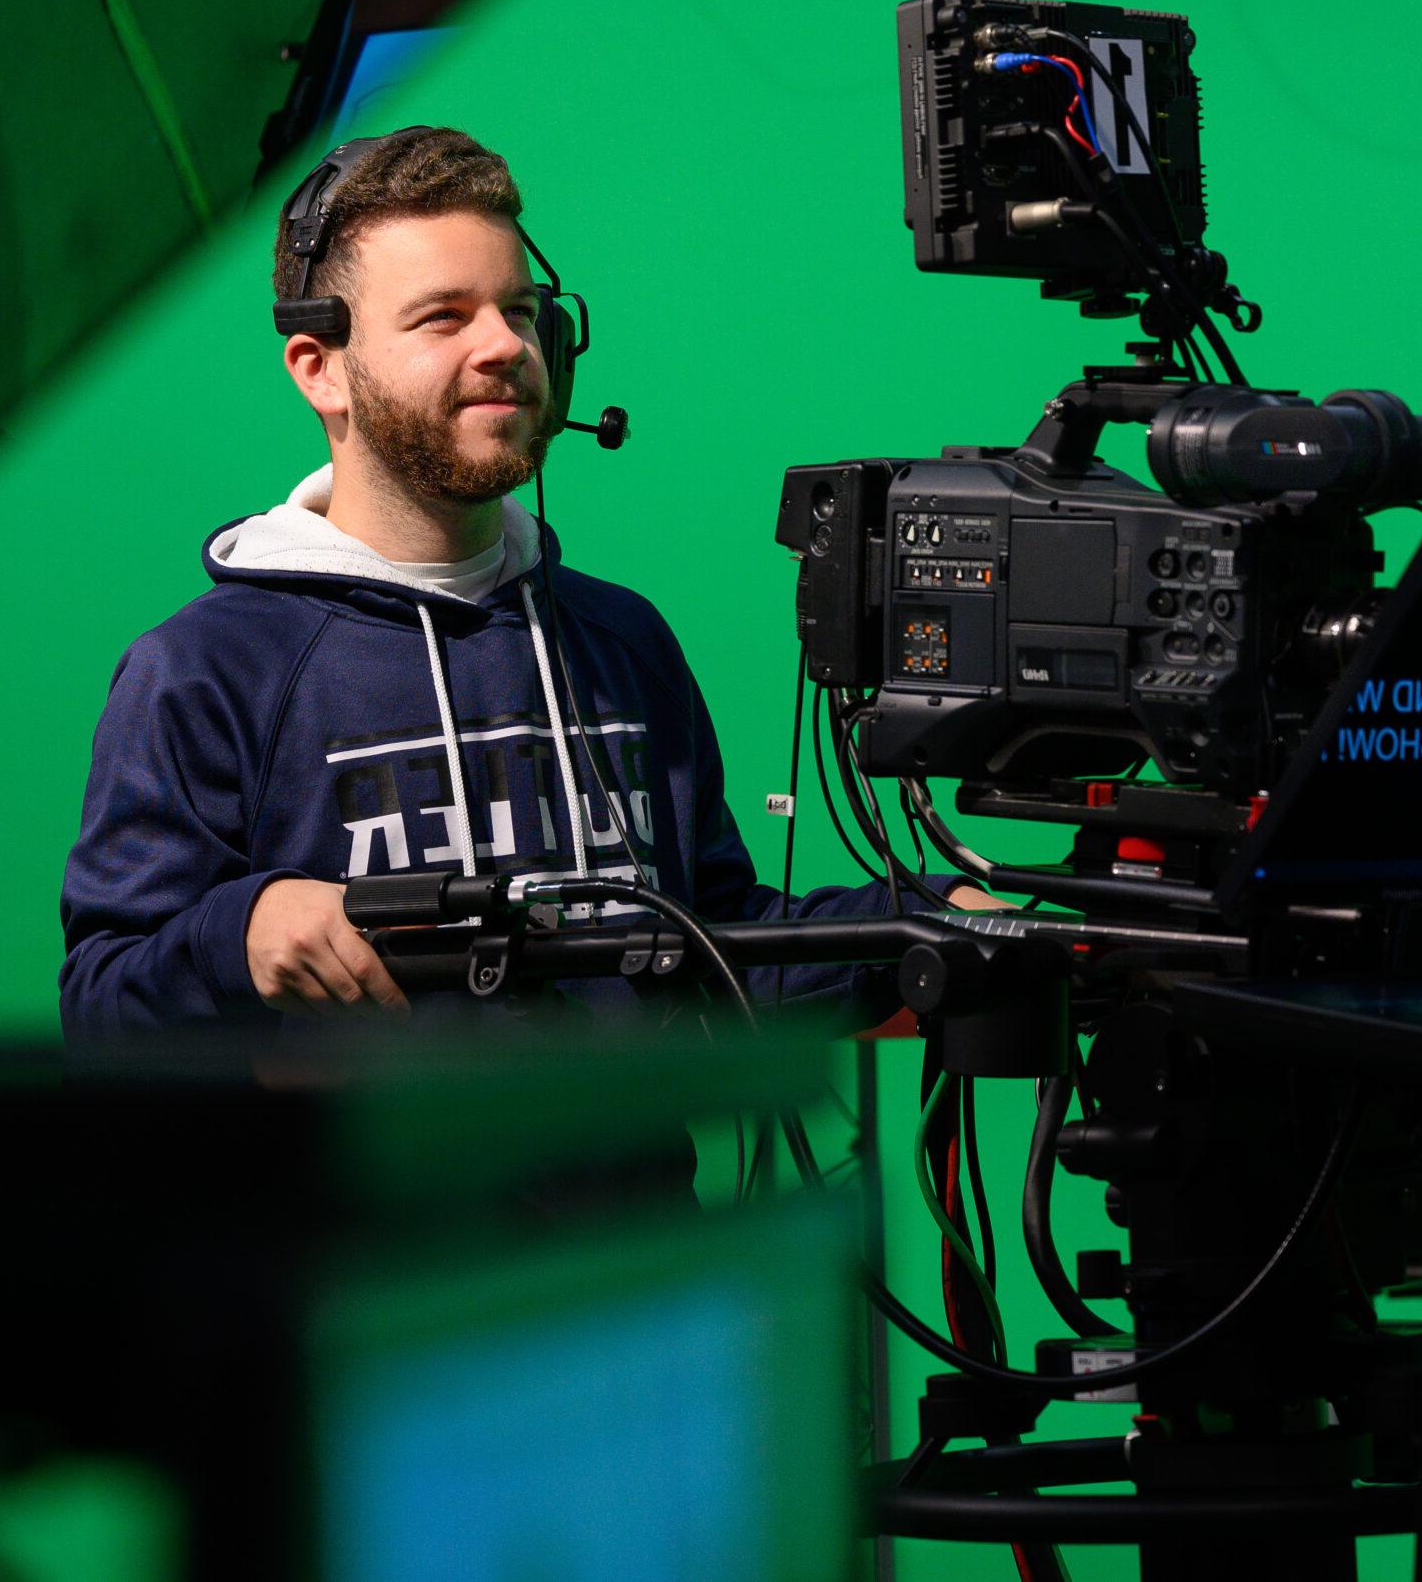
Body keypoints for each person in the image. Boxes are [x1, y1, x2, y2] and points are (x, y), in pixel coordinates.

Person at [59, 125, 980, 1040]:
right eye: (444, 316)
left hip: (639, 1195)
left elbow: (709, 948)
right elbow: (102, 1012)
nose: (507, 345)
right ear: (321, 370)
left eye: (523, 310)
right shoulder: (202, 672)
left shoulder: (620, 640)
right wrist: (242, 932)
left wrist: (942, 922)